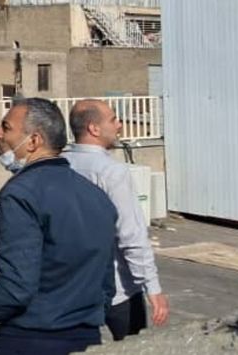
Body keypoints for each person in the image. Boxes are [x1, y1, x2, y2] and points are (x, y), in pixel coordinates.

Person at [0, 98, 117, 355]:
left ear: (33, 141)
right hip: (87, 339)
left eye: (6, 127)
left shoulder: (21, 195)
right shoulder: (96, 195)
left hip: (32, 338)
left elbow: (15, 288)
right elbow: (106, 284)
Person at [65, 99, 170, 340]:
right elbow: (131, 235)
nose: (120, 125)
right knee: (132, 345)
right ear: (94, 128)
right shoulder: (112, 172)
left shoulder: (61, 165)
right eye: (113, 119)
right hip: (117, 288)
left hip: (71, 287)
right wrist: (152, 288)